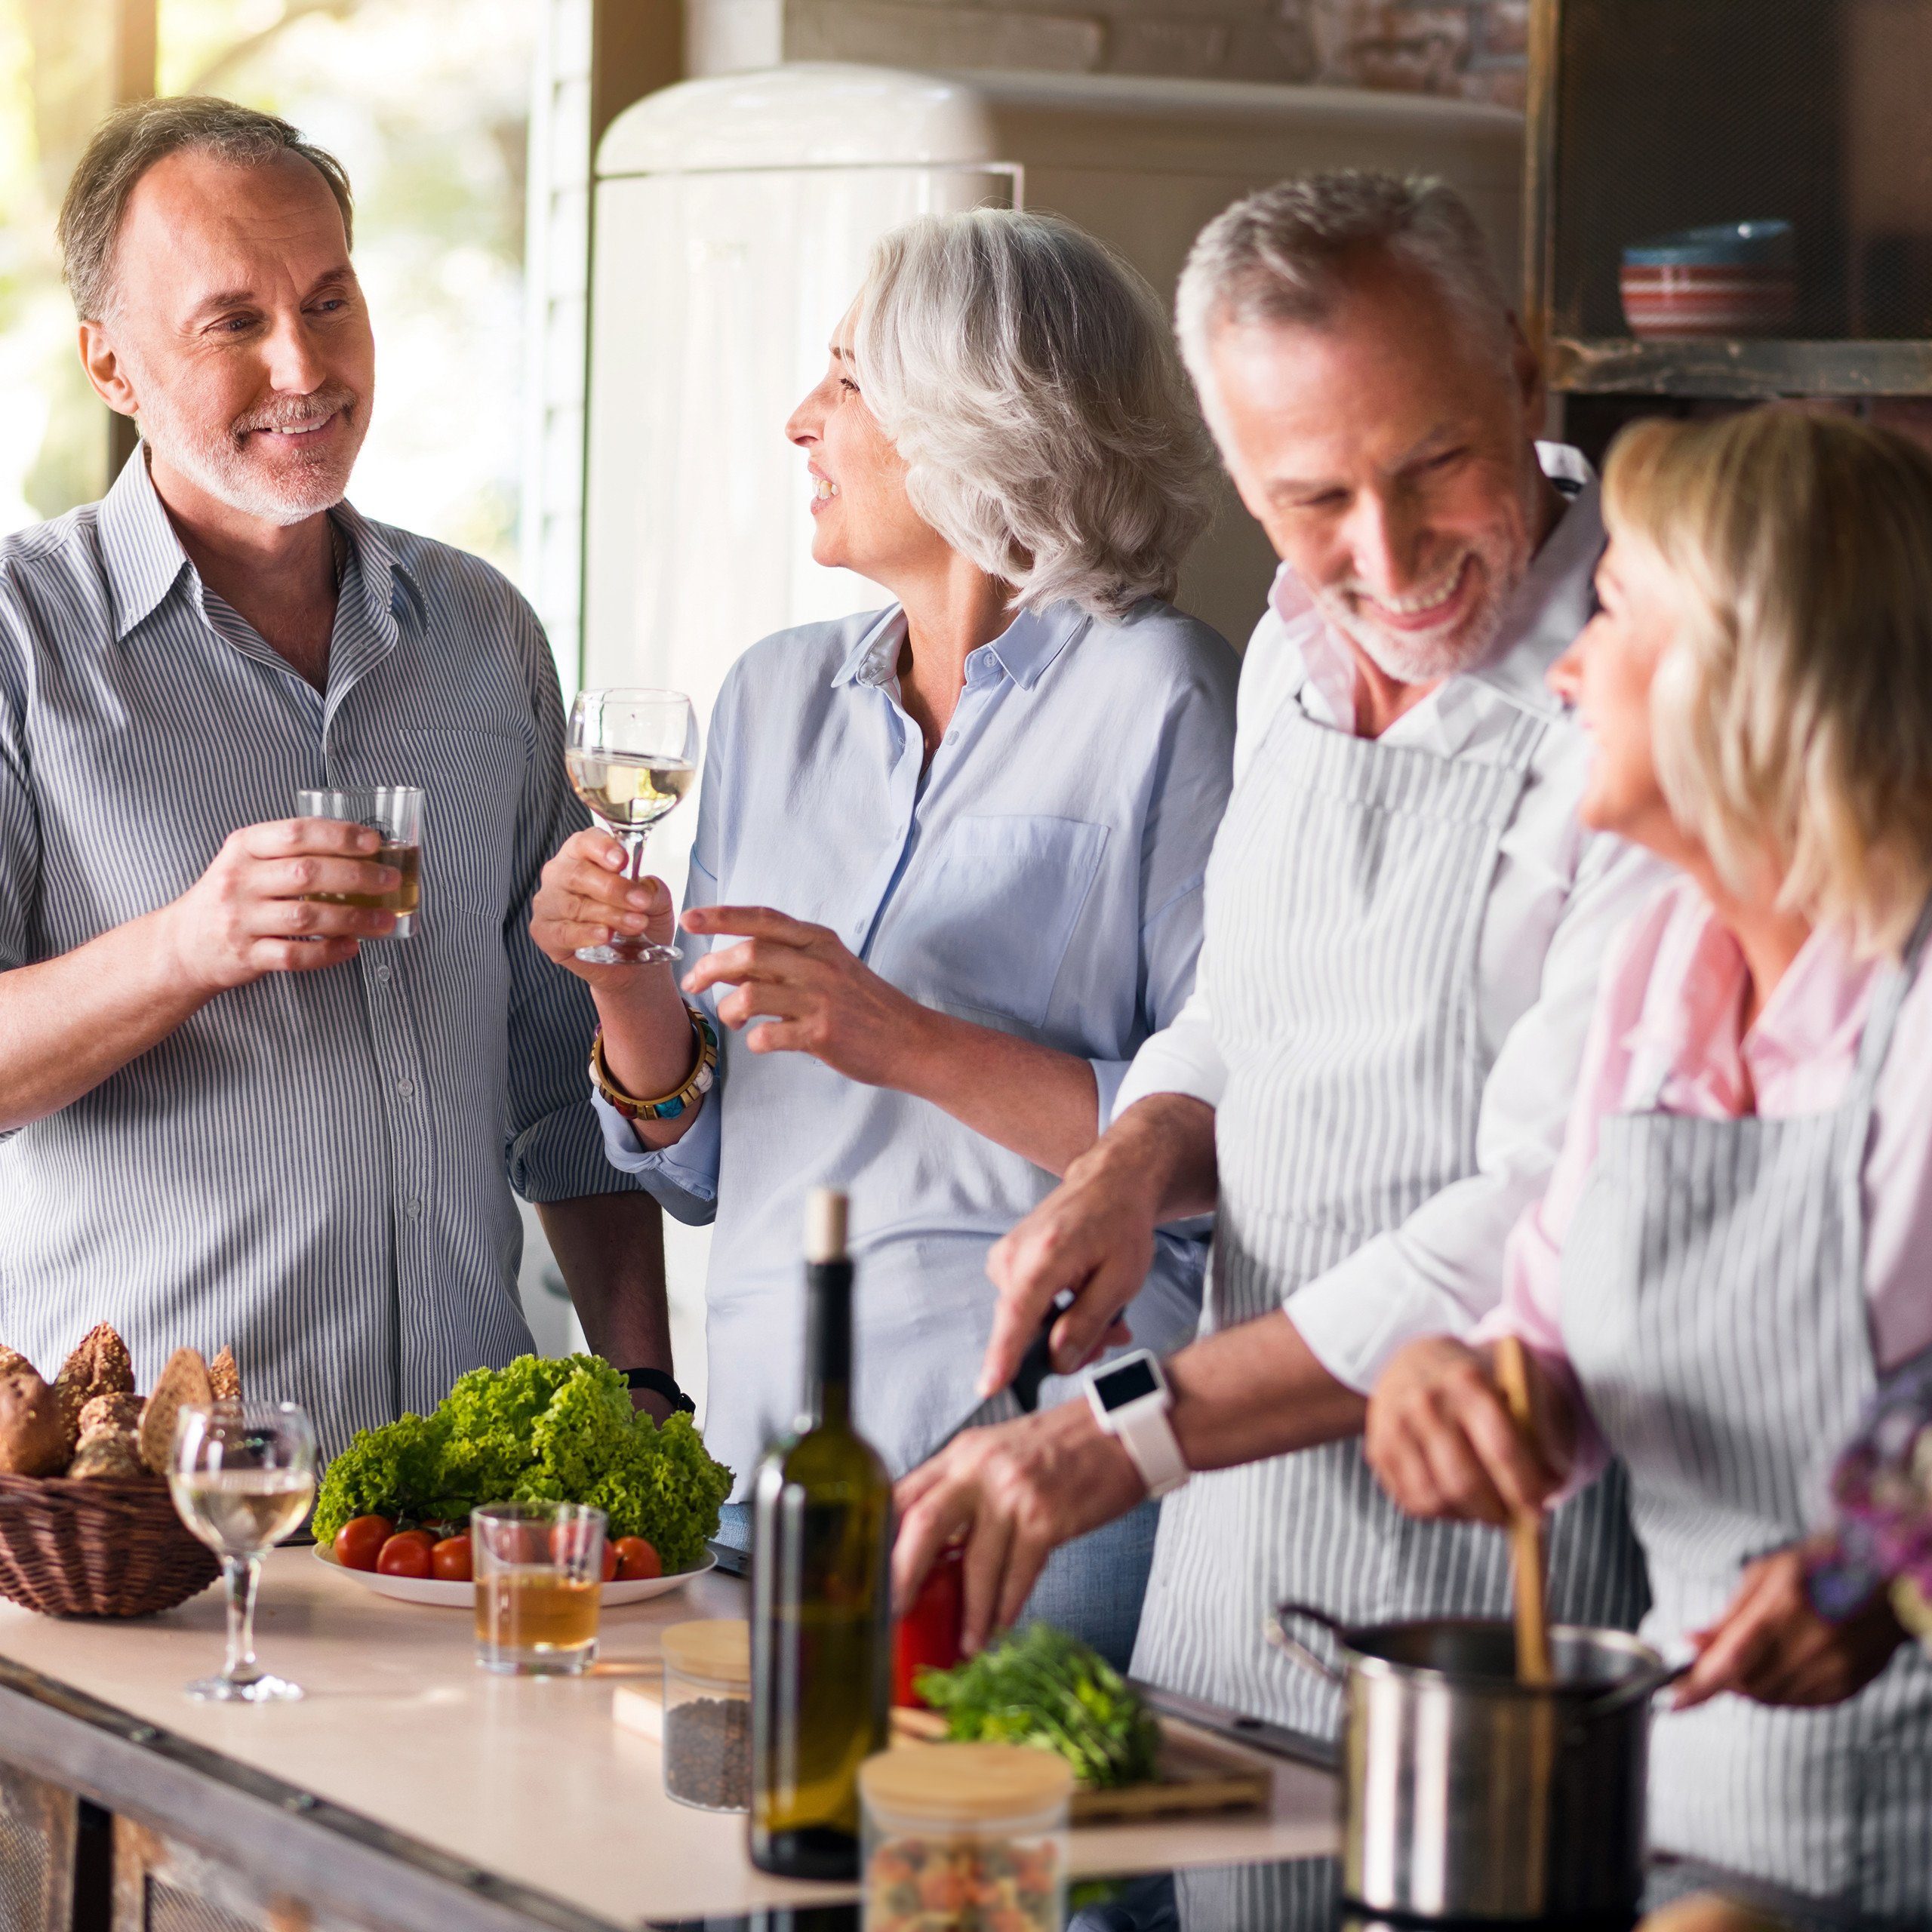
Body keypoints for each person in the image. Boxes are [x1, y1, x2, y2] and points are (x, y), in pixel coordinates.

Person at [893, 173, 1664, 1725]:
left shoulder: (1653, 686)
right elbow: (1238, 1018)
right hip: (1232, 1570)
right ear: (1239, 478)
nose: (1385, 557)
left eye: (1435, 463)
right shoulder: (1291, 661)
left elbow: (1542, 1211)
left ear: (1521, 375)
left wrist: (1111, 1436)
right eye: (1310, 501)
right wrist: (1132, 1158)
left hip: (1502, 1592)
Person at [531, 208, 1235, 1667]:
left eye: (846, 382)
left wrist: (901, 1036)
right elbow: (707, 1158)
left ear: (976, 417)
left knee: (1026, 1890)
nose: (802, 419)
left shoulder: (1166, 697)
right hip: (773, 1470)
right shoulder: (777, 693)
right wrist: (629, 986)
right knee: (756, 1878)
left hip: (1045, 1489)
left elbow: (1220, 1150)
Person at [0, 98, 669, 1458]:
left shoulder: (482, 631)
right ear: (112, 366)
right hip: (149, 1506)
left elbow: (562, 1083)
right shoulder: (23, 638)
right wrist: (190, 945)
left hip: (450, 1499)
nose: (304, 367)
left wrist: (644, 1392)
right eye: (231, 323)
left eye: (328, 300)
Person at [1366, 408, 1932, 1916]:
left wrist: (1895, 1565)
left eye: (1610, 612)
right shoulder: (1658, 970)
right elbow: (1542, 1347)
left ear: (1754, 669)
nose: (1563, 667)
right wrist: (1464, 1387)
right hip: (1690, 1833)